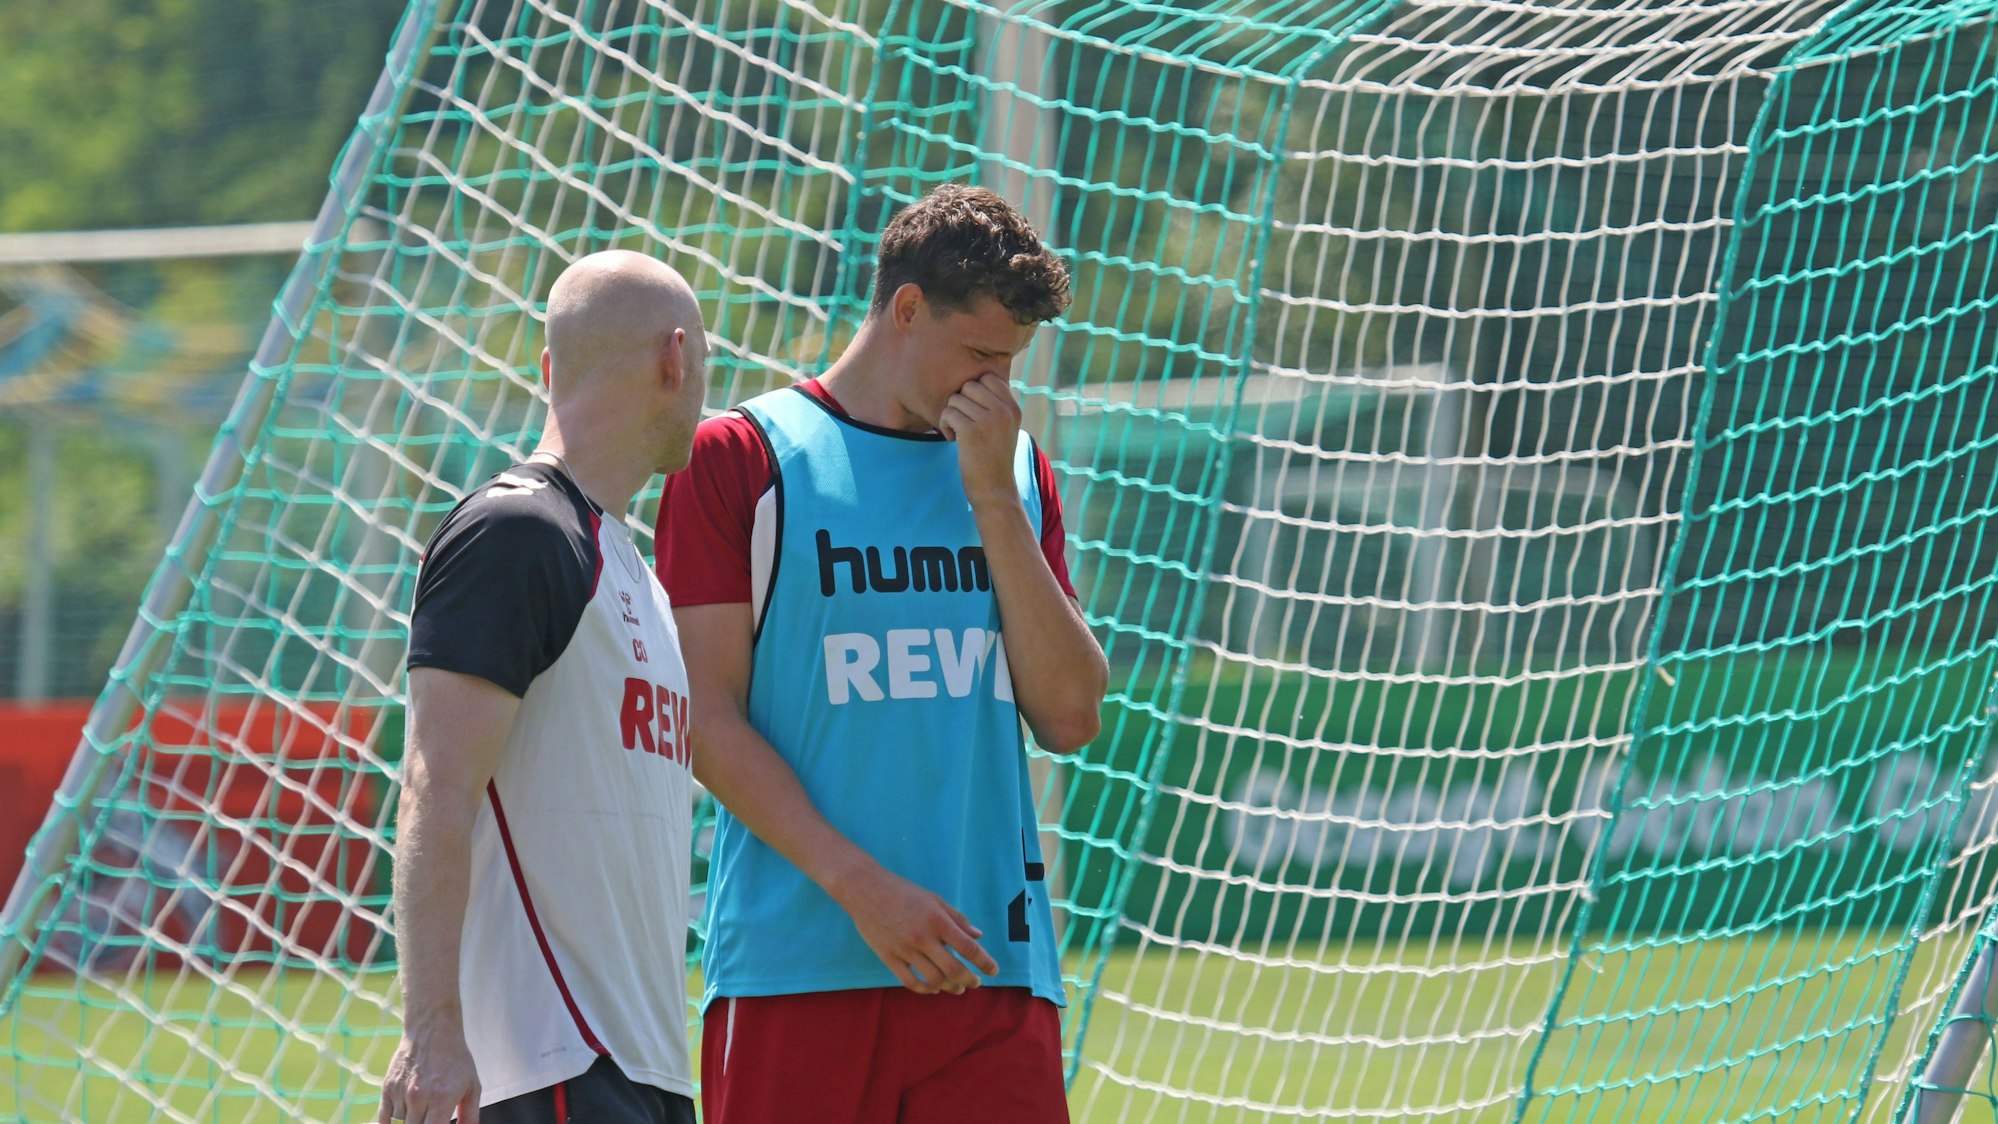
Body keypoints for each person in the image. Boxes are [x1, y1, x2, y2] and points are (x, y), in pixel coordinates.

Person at [655, 183, 1110, 1122]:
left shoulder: (1014, 468)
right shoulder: (742, 457)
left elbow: (1070, 715)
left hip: (992, 974)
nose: (998, 387)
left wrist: (991, 500)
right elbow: (703, 718)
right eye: (980, 353)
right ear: (907, 309)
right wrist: (861, 887)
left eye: (1011, 362)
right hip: (796, 972)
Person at [380, 250, 709, 1124]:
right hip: (547, 1064)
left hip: (640, 1067)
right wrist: (433, 1032)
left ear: (547, 370)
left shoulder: (632, 565)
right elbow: (434, 786)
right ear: (675, 359)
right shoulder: (518, 531)